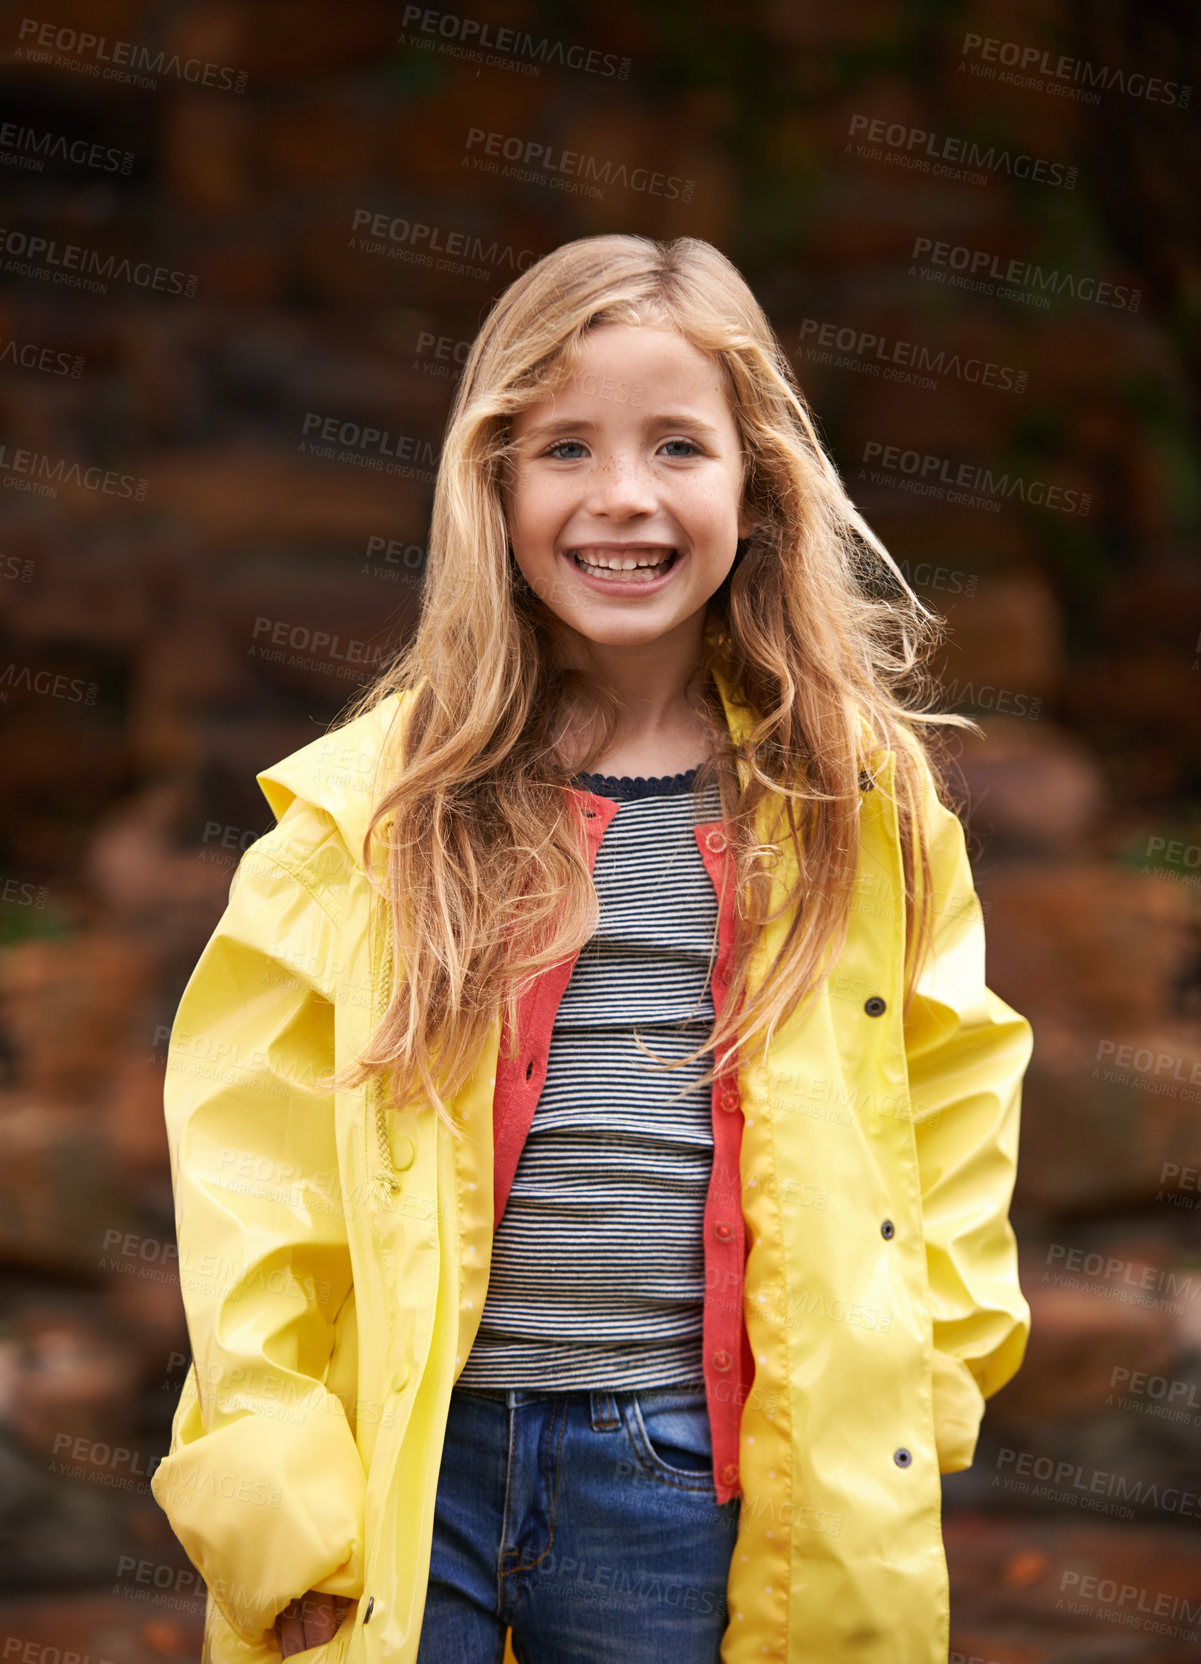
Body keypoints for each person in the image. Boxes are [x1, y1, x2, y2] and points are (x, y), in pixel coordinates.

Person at [150, 233, 1034, 1664]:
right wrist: (268, 1477)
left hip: (683, 1472)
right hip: (401, 1470)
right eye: (563, 448)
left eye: (676, 445)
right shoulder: (368, 810)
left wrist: (916, 1379)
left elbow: (952, 1094)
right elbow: (252, 1162)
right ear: (492, 486)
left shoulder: (854, 807)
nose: (620, 497)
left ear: (755, 486)